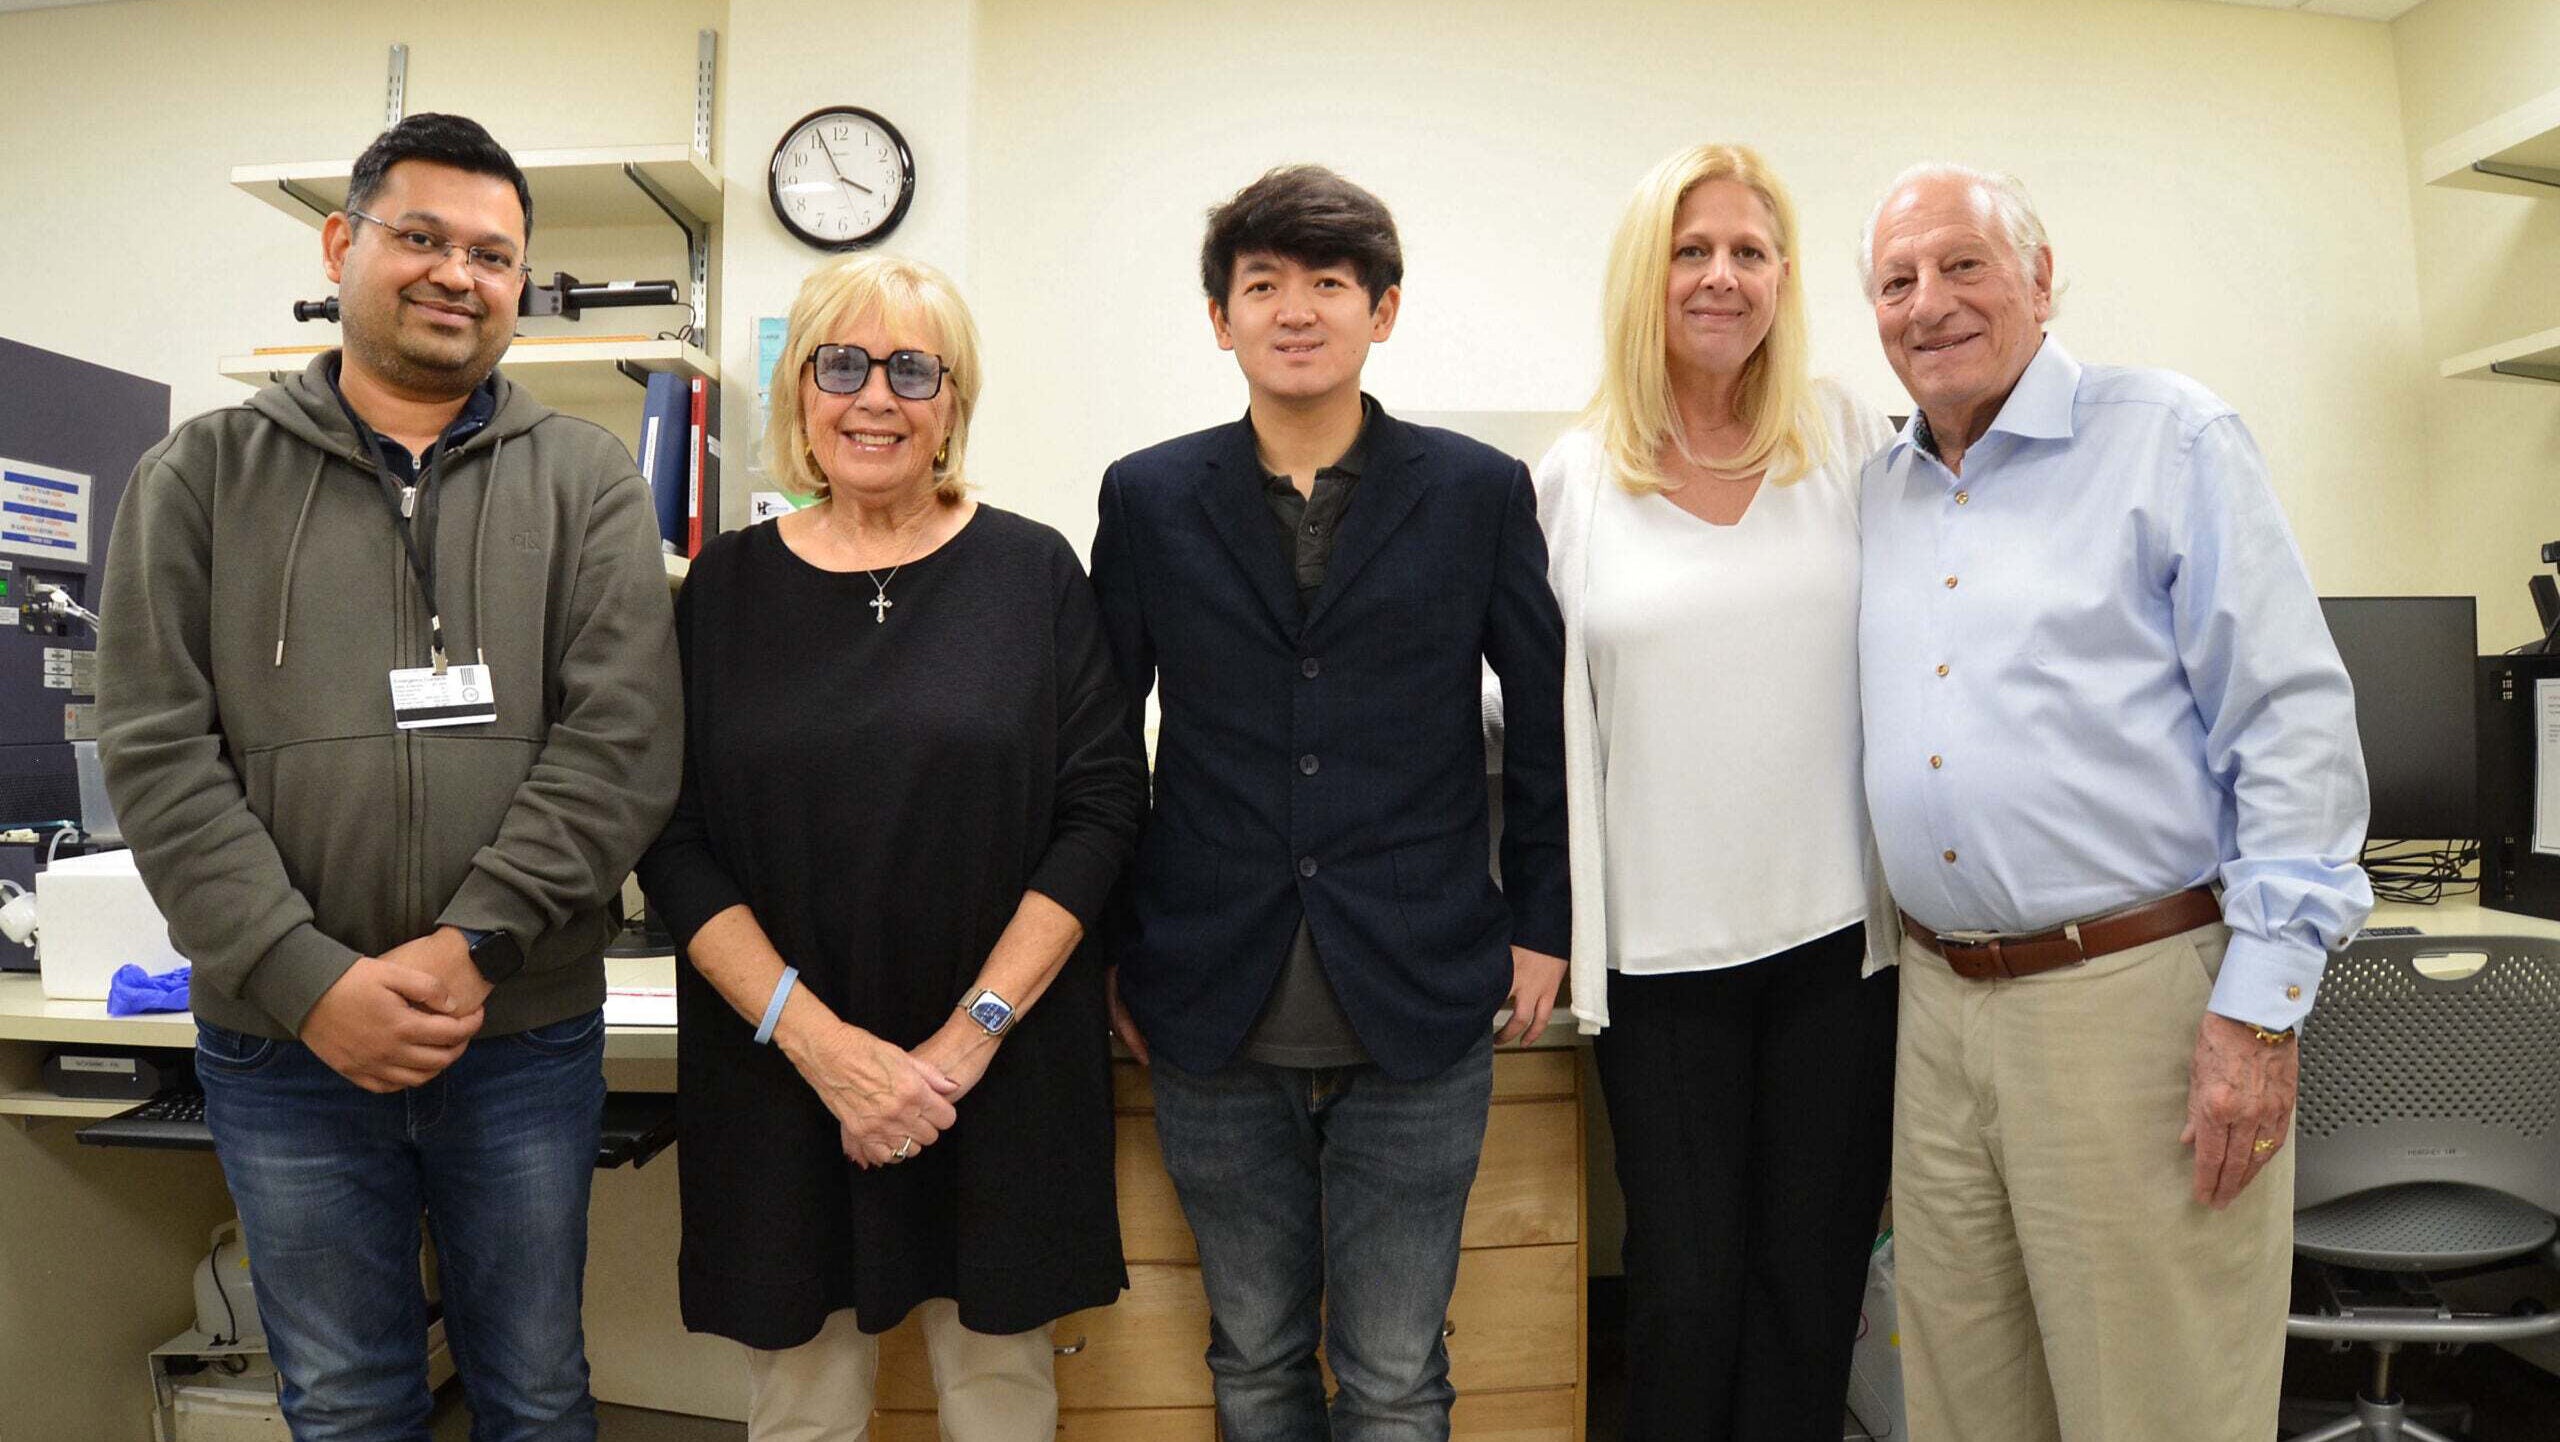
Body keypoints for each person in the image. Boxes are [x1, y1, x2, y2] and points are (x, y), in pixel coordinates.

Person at [97, 113, 681, 1440]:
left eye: (492, 254)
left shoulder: (586, 479)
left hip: (519, 1029)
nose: (457, 275)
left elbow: (622, 742)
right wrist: (314, 982)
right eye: (421, 236)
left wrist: (473, 945)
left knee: (534, 1390)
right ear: (341, 244)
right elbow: (158, 751)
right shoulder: (198, 475)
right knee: (350, 1399)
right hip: (283, 1037)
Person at [1856, 162, 2372, 1442]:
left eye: (1964, 264)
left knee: (2158, 1406)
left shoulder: (2168, 438)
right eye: (1897, 280)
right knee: (1966, 1402)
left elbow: (2292, 725)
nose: (1930, 303)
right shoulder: (1880, 489)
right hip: (1936, 1010)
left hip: (2129, 999)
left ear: (2041, 277)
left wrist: (2256, 1014)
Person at [1090, 163, 1570, 1442]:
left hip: (1422, 991)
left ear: (1383, 311)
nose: (1294, 310)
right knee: (1249, 1356)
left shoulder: (1474, 489)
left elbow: (1544, 714)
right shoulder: (1147, 496)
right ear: (1220, 319)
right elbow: (1095, 752)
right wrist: (1107, 944)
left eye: (1328, 284)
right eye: (1261, 285)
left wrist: (1543, 918)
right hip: (1206, 999)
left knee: (1397, 1370)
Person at [634, 252, 1146, 1442]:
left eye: (913, 368)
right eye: (843, 364)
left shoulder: (1031, 570)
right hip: (780, 1069)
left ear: (954, 400)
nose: (877, 395)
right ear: (799, 394)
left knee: (1000, 1391)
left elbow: (1104, 807)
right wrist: (825, 1051)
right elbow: (673, 829)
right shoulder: (721, 588)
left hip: (995, 1071)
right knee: (801, 1405)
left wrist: (962, 1046)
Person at [1533, 142, 1899, 1442]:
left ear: (1785, 279)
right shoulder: (1573, 482)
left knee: (1810, 1285)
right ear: (1647, 275)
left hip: (1842, 945)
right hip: (1657, 954)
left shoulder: (1851, 439)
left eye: (1749, 251)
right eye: (1692, 250)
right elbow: (1518, 718)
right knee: (1683, 1293)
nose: (1721, 276)